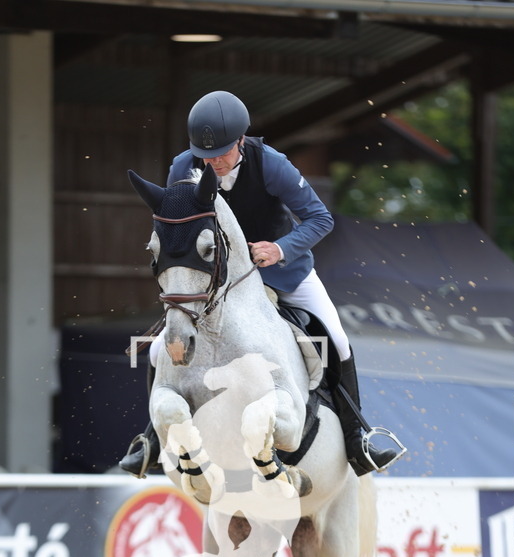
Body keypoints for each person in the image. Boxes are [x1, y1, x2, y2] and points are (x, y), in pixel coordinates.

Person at [119, 90, 405, 478]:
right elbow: (178, 236)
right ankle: (152, 438)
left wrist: (281, 248)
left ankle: (358, 437)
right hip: (218, 283)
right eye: (206, 155)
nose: (213, 162)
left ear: (240, 140)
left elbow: (320, 219)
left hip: (283, 272)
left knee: (335, 337)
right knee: (156, 352)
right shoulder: (184, 168)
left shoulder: (271, 164)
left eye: (221, 152)